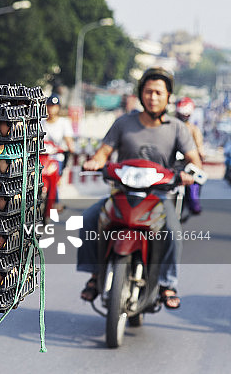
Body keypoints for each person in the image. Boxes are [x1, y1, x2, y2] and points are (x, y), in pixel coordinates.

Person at [77, 67, 202, 310]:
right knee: (89, 218)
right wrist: (95, 162)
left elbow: (194, 161)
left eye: (158, 92)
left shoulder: (177, 127)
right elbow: (103, 153)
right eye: (148, 91)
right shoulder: (123, 122)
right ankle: (94, 275)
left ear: (168, 96)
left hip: (159, 196)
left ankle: (167, 284)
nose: (153, 97)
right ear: (140, 94)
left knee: (173, 232)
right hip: (122, 193)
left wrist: (190, 174)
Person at [40, 94, 75, 212]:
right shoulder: (41, 122)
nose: (52, 109)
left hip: (57, 158)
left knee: (54, 178)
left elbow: (69, 141)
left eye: (54, 106)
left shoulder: (63, 123)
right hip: (43, 157)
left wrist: (70, 148)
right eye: (49, 106)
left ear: (58, 108)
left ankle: (56, 202)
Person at [175, 96, 205, 214]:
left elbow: (200, 149)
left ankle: (194, 205)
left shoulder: (194, 129)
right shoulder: (171, 126)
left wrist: (199, 156)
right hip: (172, 165)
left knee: (195, 183)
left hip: (188, 165)